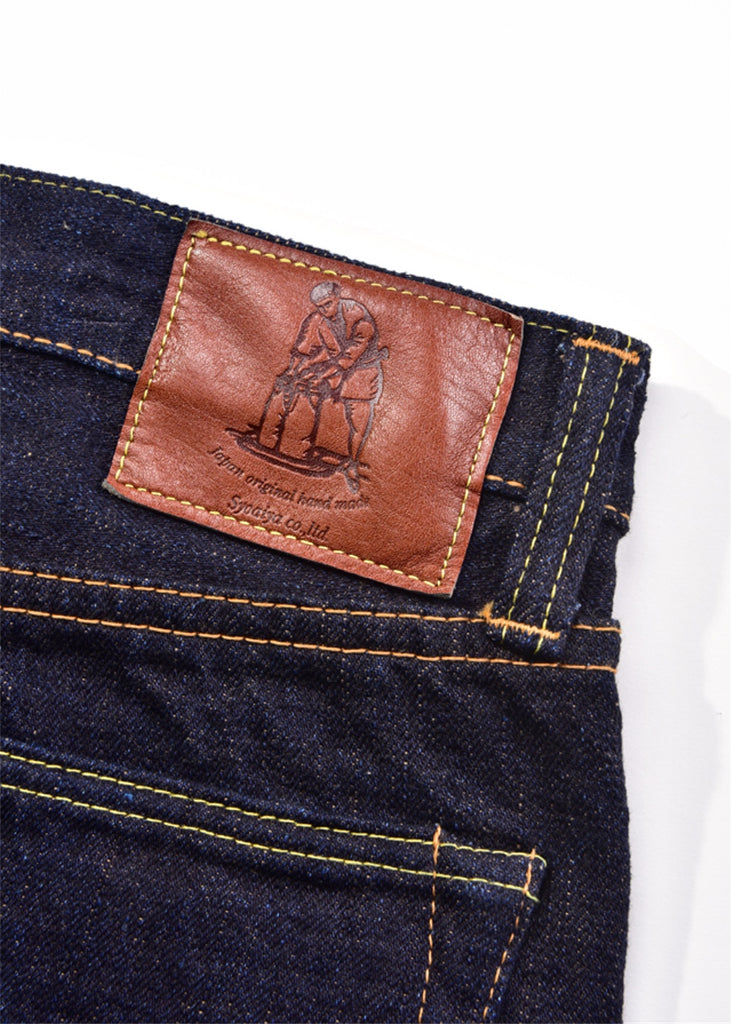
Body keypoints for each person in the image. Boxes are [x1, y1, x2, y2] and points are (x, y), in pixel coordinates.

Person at [257, 282, 388, 480]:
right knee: (297, 388)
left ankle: (352, 462)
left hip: (362, 372)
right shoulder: (319, 318)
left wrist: (323, 375)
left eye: (328, 304)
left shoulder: (359, 318)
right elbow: (308, 348)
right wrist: (296, 370)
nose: (325, 310)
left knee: (357, 417)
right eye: (320, 306)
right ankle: (279, 443)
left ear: (337, 297)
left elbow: (351, 355)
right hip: (335, 364)